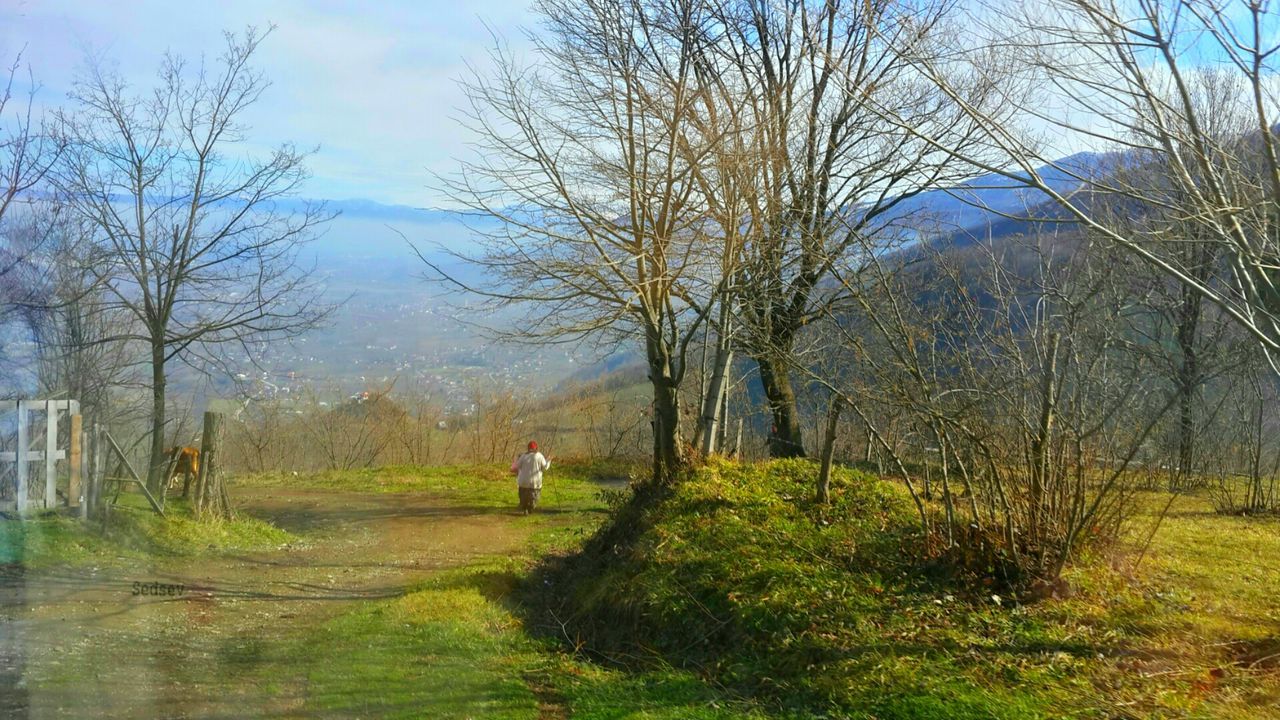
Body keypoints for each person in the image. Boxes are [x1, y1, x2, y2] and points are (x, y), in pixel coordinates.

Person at [511, 441, 551, 515]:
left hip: (523, 483)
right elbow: (545, 467)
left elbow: (517, 466)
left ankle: (525, 508)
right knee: (534, 498)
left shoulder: (523, 456)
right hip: (535, 483)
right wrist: (548, 460)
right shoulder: (539, 456)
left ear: (528, 448)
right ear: (536, 448)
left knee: (523, 497)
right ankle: (530, 507)